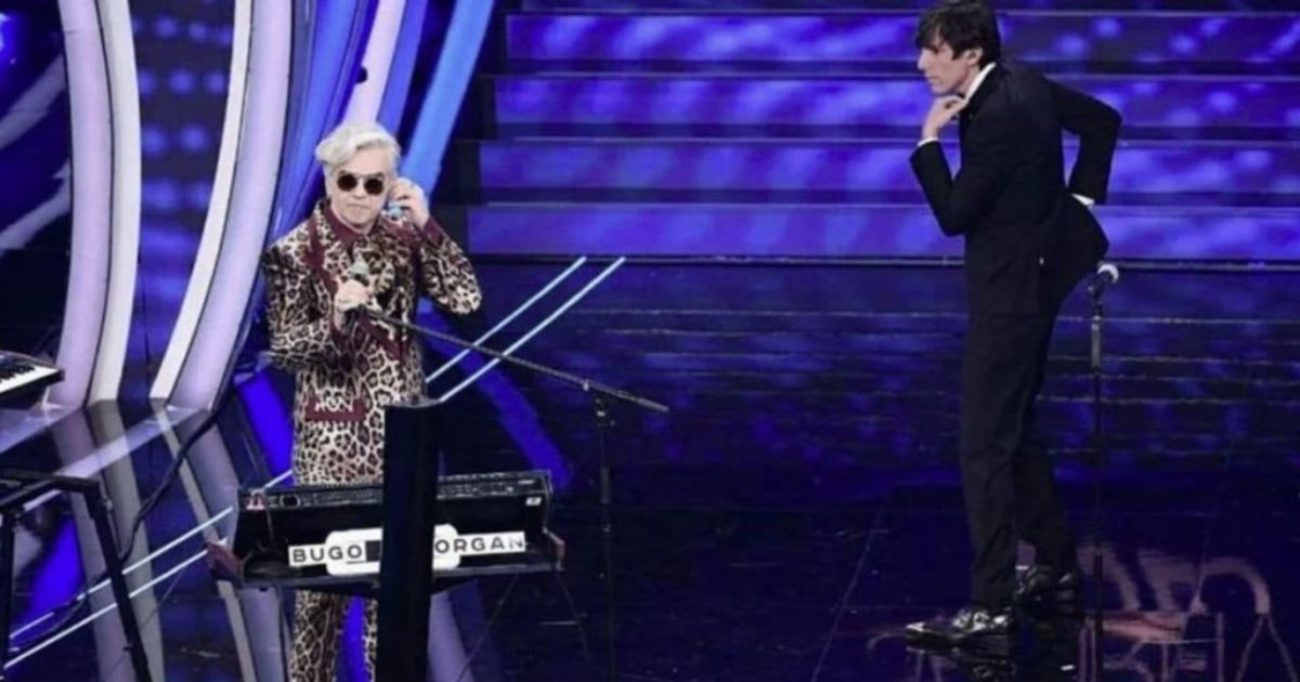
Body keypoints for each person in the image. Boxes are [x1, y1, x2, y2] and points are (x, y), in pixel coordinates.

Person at [902, 0, 1121, 650]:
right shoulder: (1021, 80)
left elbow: (954, 215)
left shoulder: (997, 114)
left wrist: (928, 142)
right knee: (1015, 428)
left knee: (983, 446)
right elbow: (1102, 122)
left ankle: (990, 607)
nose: (922, 64)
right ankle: (1055, 567)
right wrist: (1075, 208)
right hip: (1034, 277)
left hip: (1011, 295)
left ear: (970, 54)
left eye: (934, 50)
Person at [261, 121, 482, 680]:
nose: (360, 195)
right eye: (349, 181)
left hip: (402, 439)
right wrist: (336, 317)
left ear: (391, 186)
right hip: (332, 445)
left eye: (374, 183)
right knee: (322, 596)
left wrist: (426, 223)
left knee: (399, 589)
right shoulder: (294, 253)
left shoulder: (403, 240)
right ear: (329, 180)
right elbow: (285, 350)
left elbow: (465, 299)